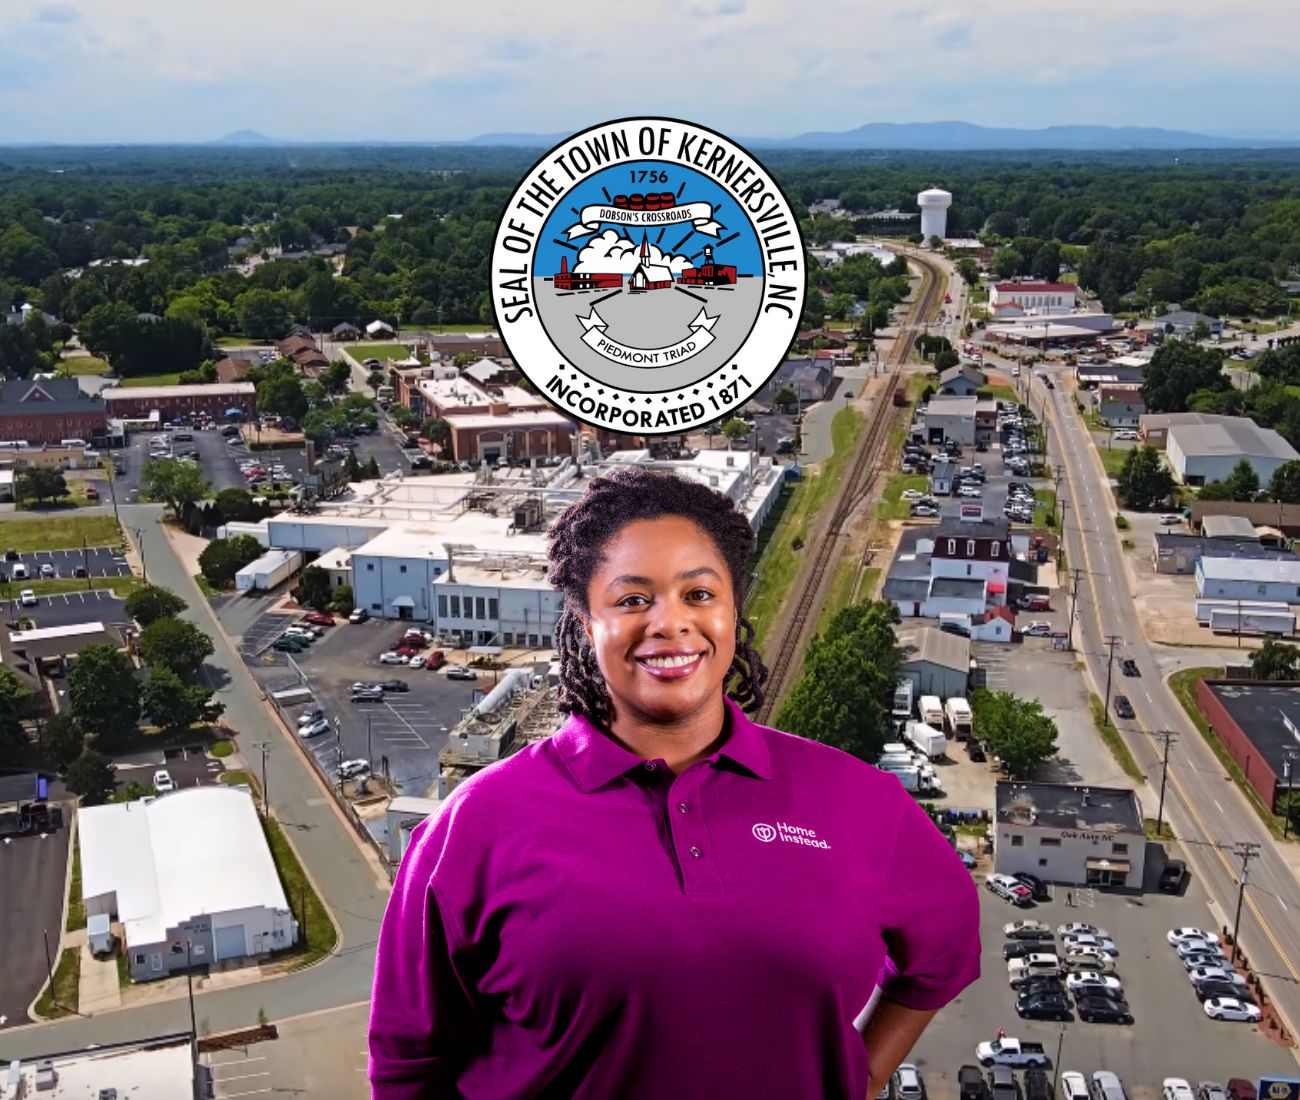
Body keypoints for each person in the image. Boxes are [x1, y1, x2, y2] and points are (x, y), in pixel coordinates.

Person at [368, 467, 982, 1099]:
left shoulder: (856, 802)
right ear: (585, 623)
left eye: (698, 594)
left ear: (732, 608)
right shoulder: (474, 827)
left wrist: (858, 1073)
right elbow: (410, 1061)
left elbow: (947, 947)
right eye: (633, 600)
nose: (669, 623)